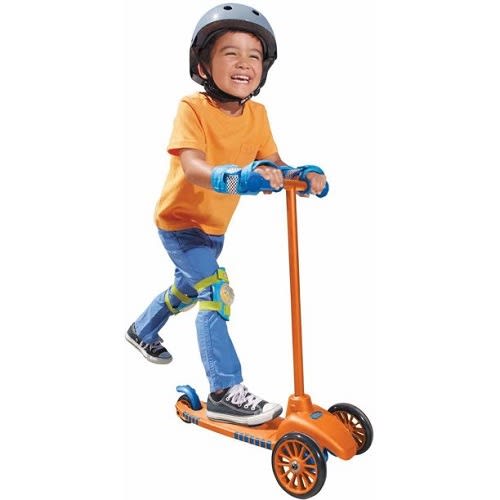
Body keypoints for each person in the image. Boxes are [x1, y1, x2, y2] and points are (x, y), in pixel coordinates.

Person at [126, 2, 328, 426]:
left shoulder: (258, 115)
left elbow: (273, 163)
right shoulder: (193, 108)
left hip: (215, 227)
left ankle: (142, 330)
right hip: (180, 223)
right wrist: (241, 179)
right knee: (215, 291)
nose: (243, 63)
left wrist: (301, 176)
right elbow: (193, 168)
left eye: (254, 56)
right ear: (203, 65)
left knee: (185, 290)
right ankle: (224, 391)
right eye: (230, 53)